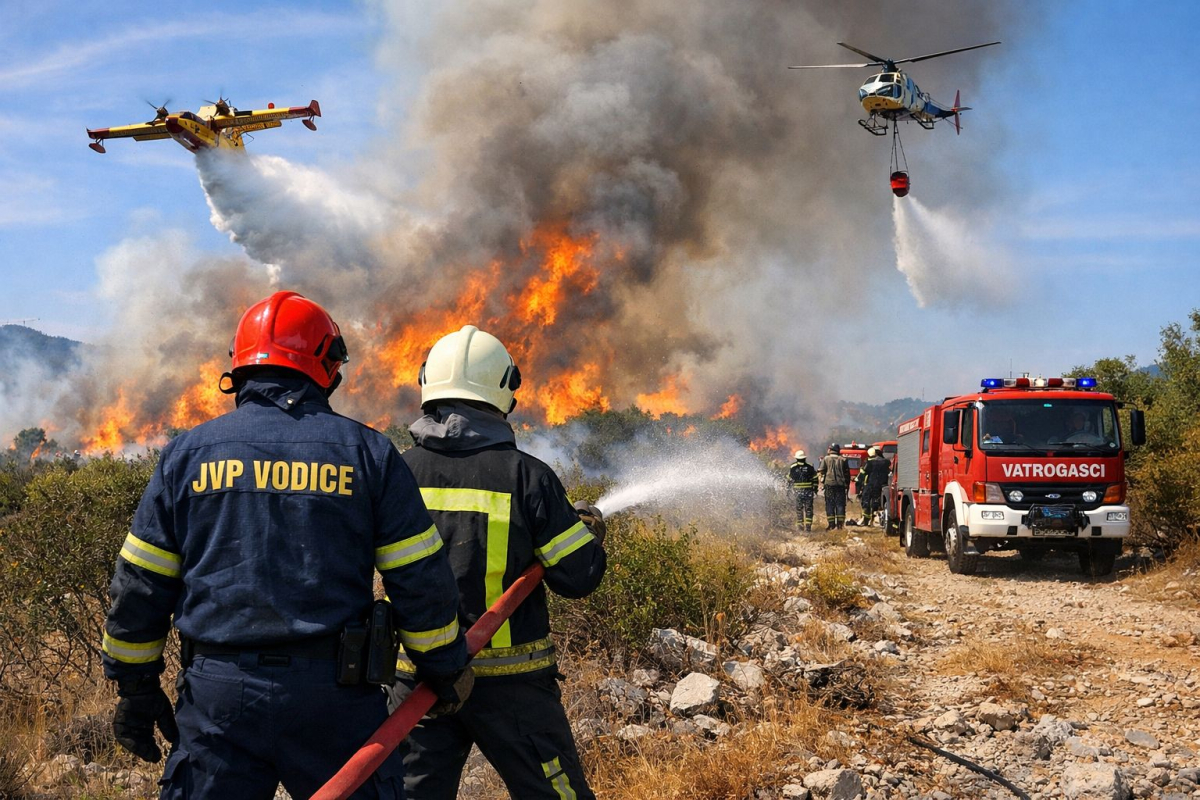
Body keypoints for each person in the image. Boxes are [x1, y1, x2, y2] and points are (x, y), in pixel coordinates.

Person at [102, 291, 469, 799]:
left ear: (240, 367)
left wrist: (136, 686)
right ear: (327, 365)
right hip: (335, 701)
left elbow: (140, 584)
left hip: (219, 701)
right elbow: (418, 580)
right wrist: (443, 666)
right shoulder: (368, 454)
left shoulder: (186, 456)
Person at [390, 324, 607, 800]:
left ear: (428, 382)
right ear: (505, 388)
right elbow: (579, 576)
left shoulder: (398, 471)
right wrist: (586, 533)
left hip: (420, 684)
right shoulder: (527, 476)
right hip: (514, 689)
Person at [818, 443, 850, 530]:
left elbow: (821, 471)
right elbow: (847, 475)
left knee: (830, 504)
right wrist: (847, 486)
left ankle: (831, 525)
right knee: (840, 505)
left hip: (829, 485)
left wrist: (821, 483)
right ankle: (840, 526)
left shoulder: (826, 459)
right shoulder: (843, 459)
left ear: (830, 449)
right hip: (840, 485)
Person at [857, 446, 891, 526]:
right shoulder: (886, 462)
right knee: (878, 502)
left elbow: (863, 474)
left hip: (870, 485)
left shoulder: (870, 463)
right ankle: (877, 519)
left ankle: (866, 520)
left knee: (866, 501)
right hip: (882, 486)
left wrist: (858, 483)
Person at [788, 450, 818, 532]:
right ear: (804, 458)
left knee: (799, 509)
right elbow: (815, 479)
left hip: (798, 492)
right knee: (808, 509)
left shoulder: (793, 467)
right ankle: (808, 528)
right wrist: (815, 489)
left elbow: (789, 479)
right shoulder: (810, 467)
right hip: (808, 492)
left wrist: (789, 490)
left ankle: (800, 528)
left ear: (797, 459)